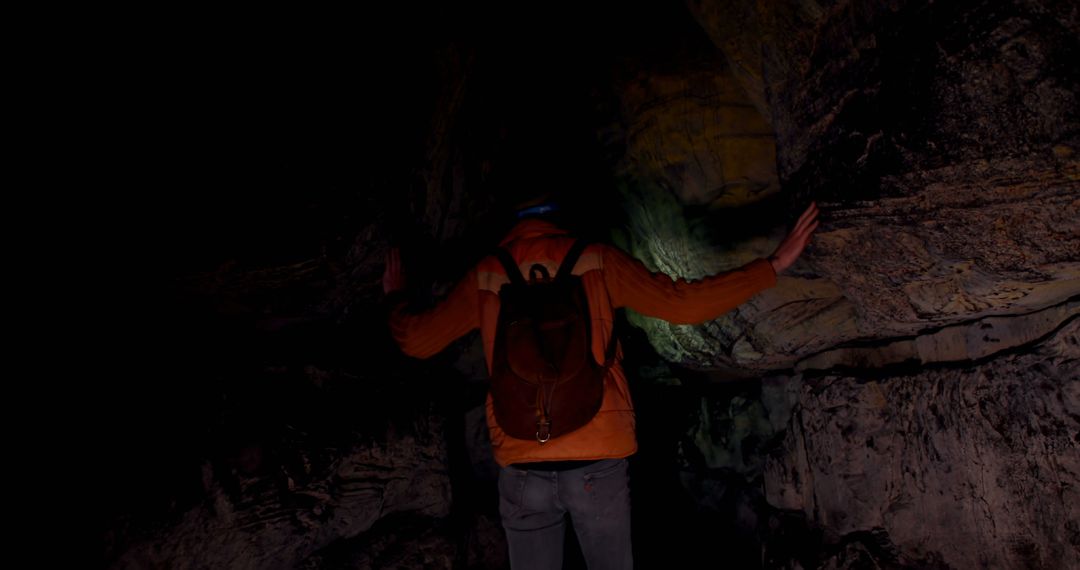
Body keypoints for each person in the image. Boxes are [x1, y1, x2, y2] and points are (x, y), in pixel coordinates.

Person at [383, 193, 819, 570]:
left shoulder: (487, 274)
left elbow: (417, 340)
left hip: (522, 459)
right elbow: (684, 304)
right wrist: (773, 265)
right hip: (596, 454)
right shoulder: (595, 259)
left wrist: (395, 298)